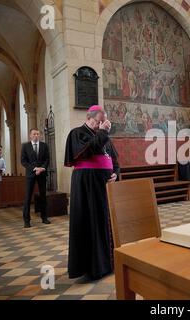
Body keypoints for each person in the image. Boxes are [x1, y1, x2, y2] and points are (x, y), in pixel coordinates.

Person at [64, 105, 120, 280]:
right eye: (99, 121)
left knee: (106, 222)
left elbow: (115, 161)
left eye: (103, 122)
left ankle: (108, 263)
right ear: (89, 118)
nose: (102, 125)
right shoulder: (77, 133)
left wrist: (115, 174)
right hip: (87, 184)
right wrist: (103, 132)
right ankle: (93, 267)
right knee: (92, 222)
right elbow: (89, 150)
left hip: (105, 185)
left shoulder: (104, 136)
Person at [21, 128, 51, 228]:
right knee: (28, 197)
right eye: (34, 134)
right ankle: (26, 220)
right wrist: (34, 168)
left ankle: (44, 217)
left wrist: (42, 168)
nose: (36, 136)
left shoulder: (44, 145)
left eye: (38, 134)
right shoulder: (25, 146)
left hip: (42, 173)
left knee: (43, 196)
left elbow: (47, 159)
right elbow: (23, 161)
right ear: (30, 135)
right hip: (31, 174)